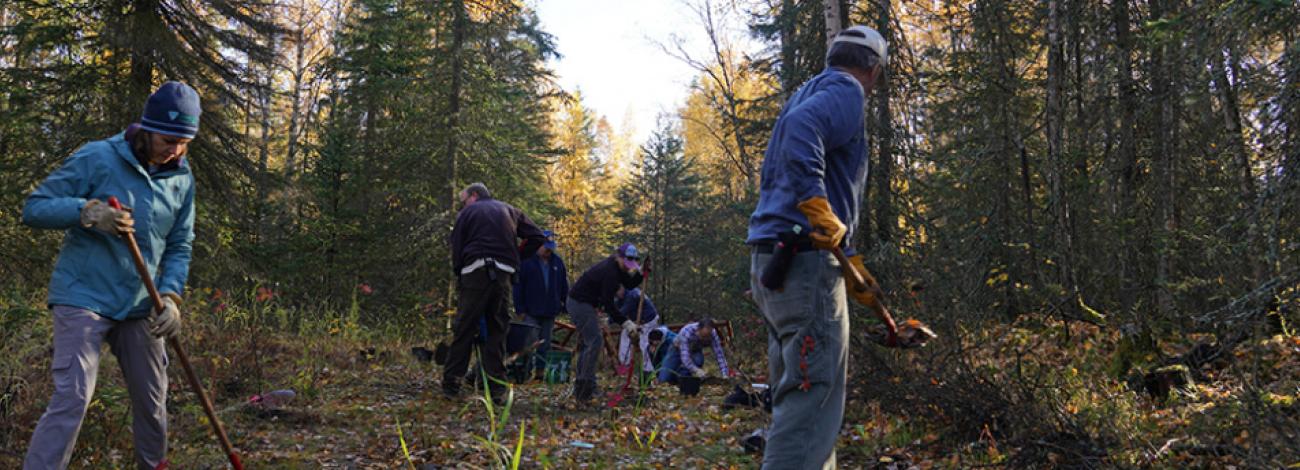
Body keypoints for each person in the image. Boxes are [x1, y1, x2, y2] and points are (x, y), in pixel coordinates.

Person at [21, 81, 201, 470]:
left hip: (141, 304)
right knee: (73, 396)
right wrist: (88, 212)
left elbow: (179, 247)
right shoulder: (98, 157)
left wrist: (171, 298)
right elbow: (35, 208)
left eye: (184, 142)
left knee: (153, 401)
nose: (175, 150)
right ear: (148, 128)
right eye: (168, 139)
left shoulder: (182, 181)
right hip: (83, 295)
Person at [746, 25, 900, 469]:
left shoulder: (807, 91)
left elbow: (799, 148)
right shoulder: (846, 91)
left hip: (775, 261)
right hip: (803, 265)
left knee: (803, 400)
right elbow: (802, 130)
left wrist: (848, 260)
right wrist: (817, 208)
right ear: (872, 68)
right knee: (810, 405)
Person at [444, 183, 546, 400]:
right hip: (503, 275)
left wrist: (459, 271)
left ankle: (452, 383)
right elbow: (537, 237)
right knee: (498, 330)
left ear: (473, 196)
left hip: (475, 271)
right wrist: (517, 257)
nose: (463, 204)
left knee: (464, 327)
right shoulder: (510, 210)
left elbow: (457, 244)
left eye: (464, 200)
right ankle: (496, 387)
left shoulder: (467, 212)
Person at [566, 242, 646, 402]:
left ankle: (584, 386)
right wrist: (626, 323)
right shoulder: (610, 272)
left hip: (586, 303)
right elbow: (609, 305)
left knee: (588, 343)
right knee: (595, 341)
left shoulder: (617, 268)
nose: (628, 266)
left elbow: (629, 284)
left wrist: (641, 272)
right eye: (627, 262)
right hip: (579, 303)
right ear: (619, 257)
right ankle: (585, 387)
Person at [512, 230, 569, 379]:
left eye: (550, 248)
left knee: (545, 344)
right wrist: (520, 309)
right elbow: (517, 286)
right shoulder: (526, 262)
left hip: (550, 310)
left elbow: (563, 285)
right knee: (529, 344)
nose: (548, 251)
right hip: (530, 311)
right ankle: (524, 372)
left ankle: (540, 373)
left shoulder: (557, 262)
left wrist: (564, 304)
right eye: (546, 247)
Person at [656, 318, 730, 384]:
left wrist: (725, 373)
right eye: (703, 336)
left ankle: (683, 376)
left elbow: (719, 354)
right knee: (663, 380)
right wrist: (696, 370)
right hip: (677, 349)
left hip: (694, 350)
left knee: (698, 360)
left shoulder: (713, 334)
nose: (705, 338)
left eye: (707, 336)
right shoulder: (687, 331)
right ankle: (675, 375)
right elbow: (685, 357)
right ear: (698, 329)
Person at [612, 287, 660, 376]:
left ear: (621, 288)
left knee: (644, 343)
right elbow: (615, 307)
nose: (617, 295)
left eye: (616, 292)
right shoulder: (621, 297)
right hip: (636, 321)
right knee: (625, 335)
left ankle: (649, 370)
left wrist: (609, 320)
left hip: (648, 321)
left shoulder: (632, 295)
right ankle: (625, 364)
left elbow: (622, 312)